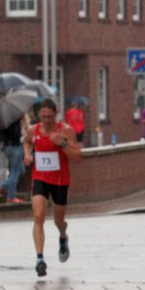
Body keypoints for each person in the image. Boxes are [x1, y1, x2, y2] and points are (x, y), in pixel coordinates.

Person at [23, 98, 82, 277]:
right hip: (40, 178)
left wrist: (62, 143)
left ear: (55, 114)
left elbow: (78, 157)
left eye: (49, 117)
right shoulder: (33, 130)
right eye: (43, 117)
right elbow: (27, 141)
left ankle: (63, 236)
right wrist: (27, 155)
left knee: (58, 221)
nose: (46, 120)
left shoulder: (66, 130)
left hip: (60, 180)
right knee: (38, 216)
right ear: (39, 115)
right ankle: (40, 259)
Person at [0, 115, 25, 203]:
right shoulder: (14, 120)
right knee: (15, 172)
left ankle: (3, 186)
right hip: (15, 147)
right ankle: (11, 196)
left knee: (21, 170)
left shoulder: (2, 120)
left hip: (7, 147)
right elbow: (16, 134)